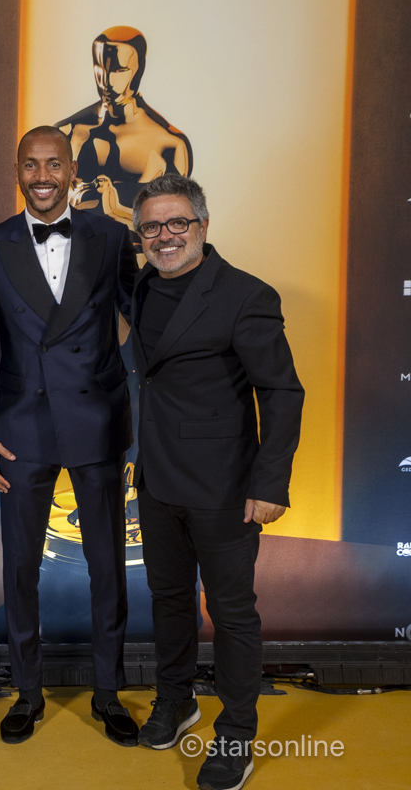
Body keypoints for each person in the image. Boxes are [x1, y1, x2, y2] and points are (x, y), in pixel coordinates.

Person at [0, 125, 140, 746]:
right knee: (19, 569)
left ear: (71, 172)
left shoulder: (111, 236)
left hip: (97, 420)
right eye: (31, 165)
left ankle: (108, 693)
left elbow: (143, 317)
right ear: (17, 171)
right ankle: (27, 692)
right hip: (21, 425)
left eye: (53, 164)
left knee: (107, 566)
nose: (42, 176)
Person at [129, 174, 302, 790]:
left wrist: (270, 483)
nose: (165, 236)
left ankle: (235, 734)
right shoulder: (143, 286)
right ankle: (176, 700)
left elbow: (281, 392)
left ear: (203, 225)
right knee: (169, 600)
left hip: (226, 487)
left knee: (230, 614)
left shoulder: (246, 295)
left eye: (177, 223)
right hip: (156, 480)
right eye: (152, 226)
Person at [56, 27, 193, 227]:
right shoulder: (66, 134)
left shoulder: (169, 146)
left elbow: (173, 227)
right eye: (100, 67)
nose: (106, 80)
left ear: (139, 69)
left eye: (119, 70)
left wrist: (116, 210)